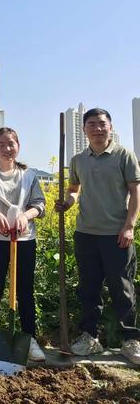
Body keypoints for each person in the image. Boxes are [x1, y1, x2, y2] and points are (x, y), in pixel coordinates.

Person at [55, 108, 140, 364]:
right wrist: (67, 203)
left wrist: (129, 226)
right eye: (91, 124)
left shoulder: (124, 155)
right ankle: (89, 337)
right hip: (86, 233)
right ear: (84, 130)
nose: (97, 128)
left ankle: (130, 340)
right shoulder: (79, 159)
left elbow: (136, 192)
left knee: (122, 287)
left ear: (110, 127)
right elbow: (74, 189)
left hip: (116, 234)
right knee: (88, 288)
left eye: (102, 124)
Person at [0, 127, 46, 362]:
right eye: (1, 144)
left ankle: (29, 337)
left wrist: (27, 215)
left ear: (18, 146)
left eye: (11, 143)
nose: (7, 148)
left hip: (24, 239)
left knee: (25, 290)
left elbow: (39, 204)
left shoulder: (29, 176)